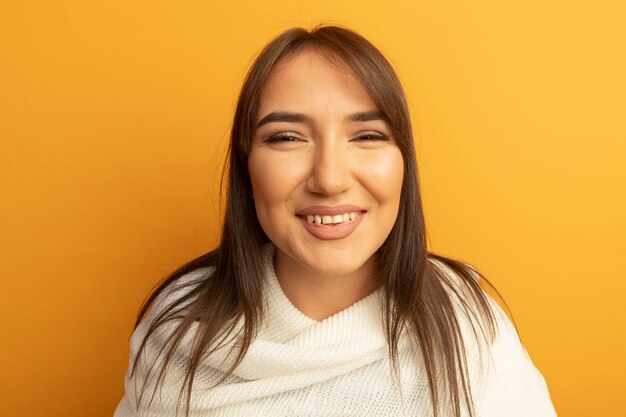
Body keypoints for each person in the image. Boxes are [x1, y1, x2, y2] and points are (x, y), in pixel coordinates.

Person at [114, 26, 557, 417]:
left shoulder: (468, 326)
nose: (329, 179)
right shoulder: (181, 326)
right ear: (248, 171)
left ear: (404, 165)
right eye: (287, 138)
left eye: (367, 136)